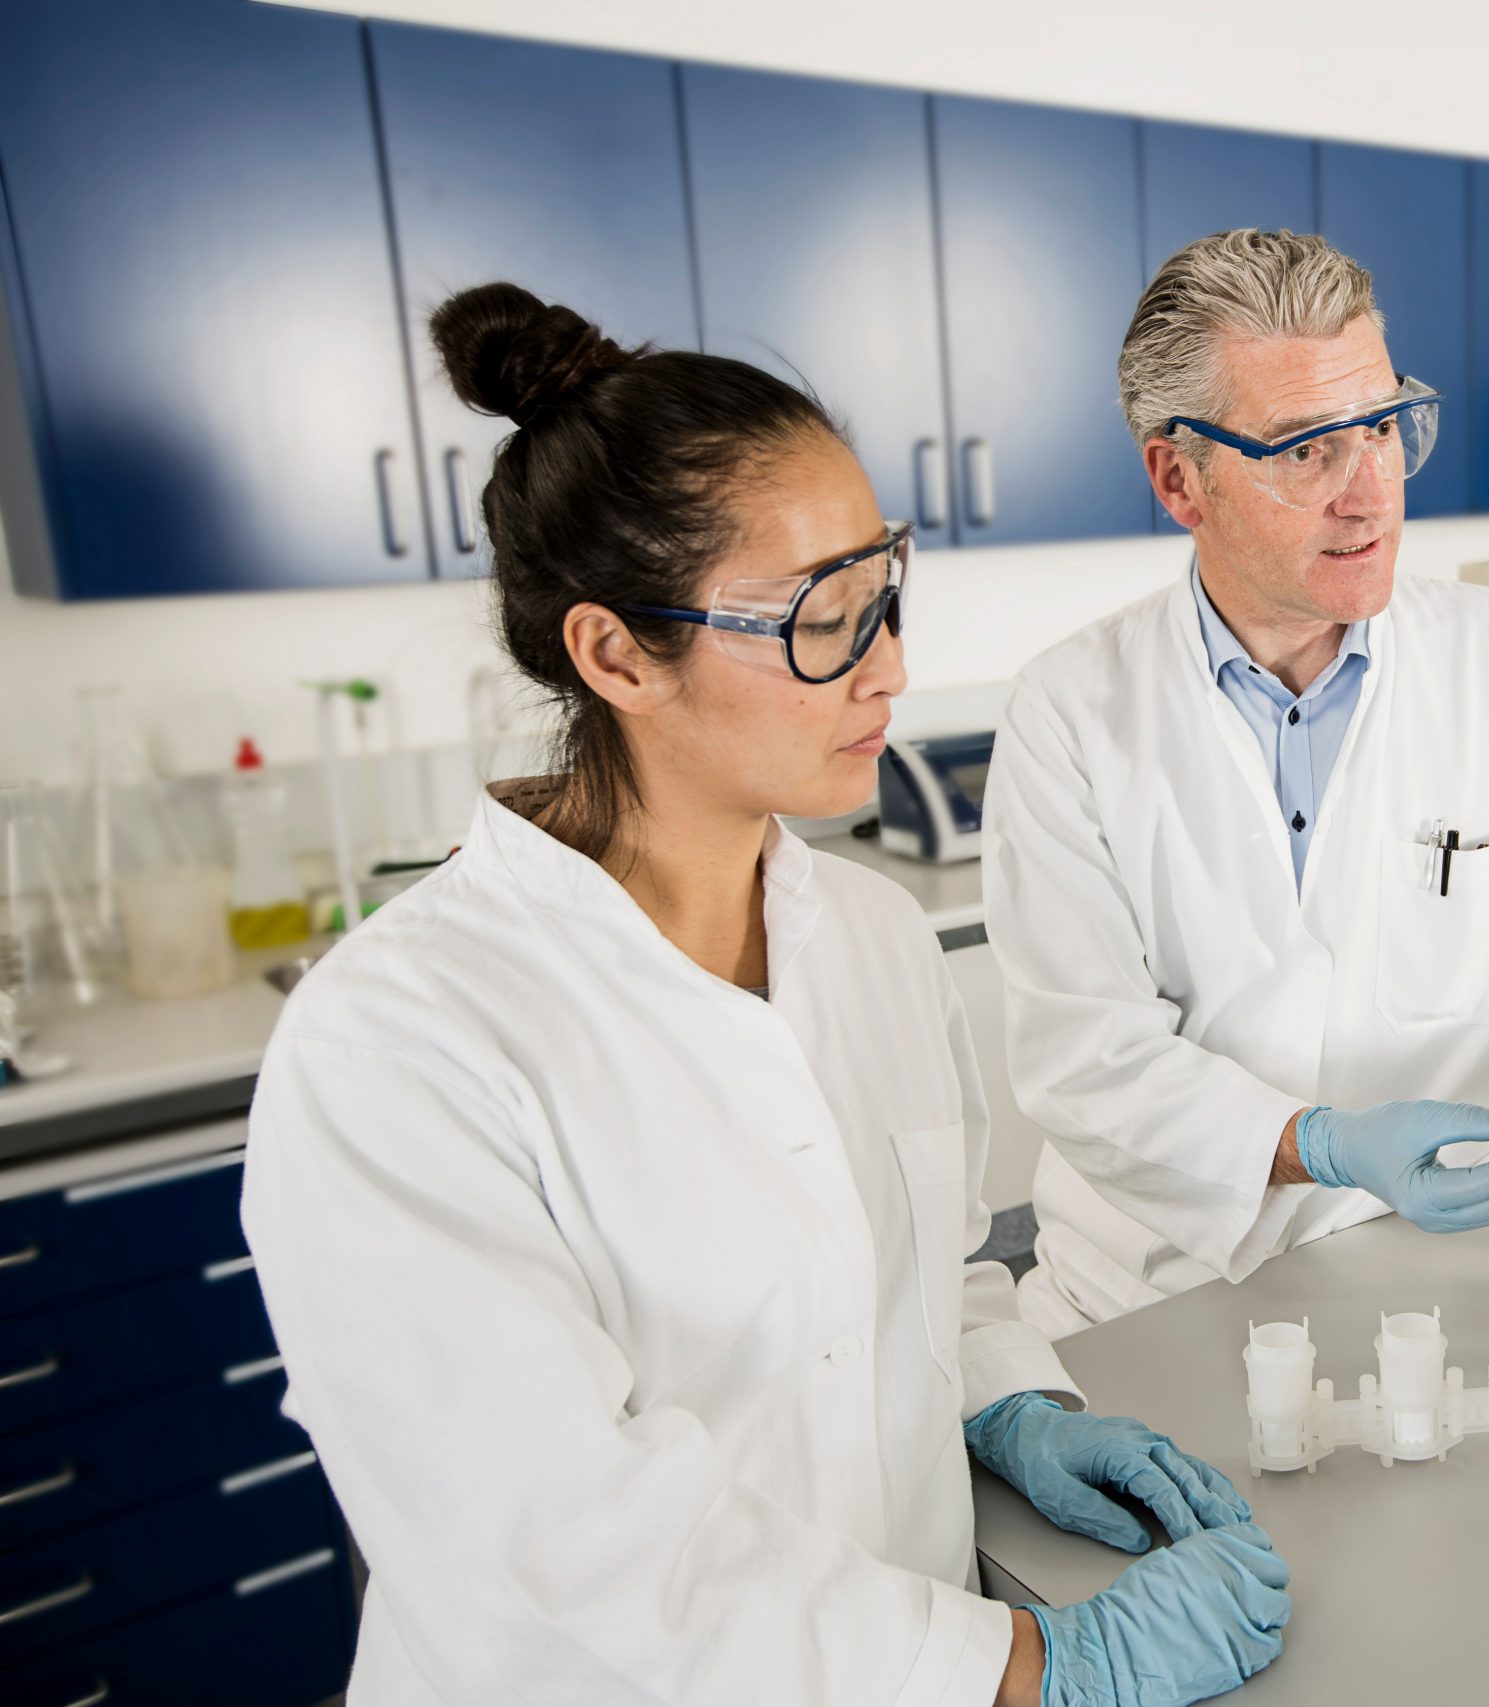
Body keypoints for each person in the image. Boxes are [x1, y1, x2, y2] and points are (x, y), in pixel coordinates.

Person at [243, 284, 1288, 1707]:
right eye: (821, 621)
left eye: (885, 594)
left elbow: (936, 1274)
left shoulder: (867, 937)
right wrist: (1035, 1664)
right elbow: (550, 1540)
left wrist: (1011, 1395)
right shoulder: (399, 1042)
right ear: (615, 654)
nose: (892, 668)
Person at [985, 229, 1489, 1336]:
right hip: (1156, 1294)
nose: (1369, 494)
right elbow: (1085, 1059)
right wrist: (1313, 1144)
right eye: (1304, 450)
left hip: (1447, 1276)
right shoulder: (1069, 711)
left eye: (1380, 426)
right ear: (1179, 477)